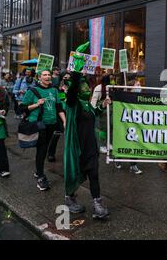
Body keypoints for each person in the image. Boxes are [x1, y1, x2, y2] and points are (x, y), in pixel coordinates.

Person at [63, 52, 110, 219]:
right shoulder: (72, 104)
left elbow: (94, 113)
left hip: (90, 147)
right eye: (83, 86)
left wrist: (102, 105)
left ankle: (97, 205)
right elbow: (73, 89)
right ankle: (69, 198)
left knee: (94, 175)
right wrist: (77, 66)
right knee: (75, 175)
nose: (86, 88)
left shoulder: (87, 104)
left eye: (86, 86)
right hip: (78, 149)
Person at [21, 70, 66, 191]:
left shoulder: (54, 90)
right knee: (42, 149)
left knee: (44, 148)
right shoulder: (33, 91)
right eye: (44, 75)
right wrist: (36, 104)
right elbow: (22, 107)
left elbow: (59, 107)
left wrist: (64, 121)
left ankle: (38, 170)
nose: (47, 76)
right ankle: (40, 177)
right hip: (39, 124)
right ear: (39, 78)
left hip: (51, 124)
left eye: (49, 75)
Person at [91, 74, 113, 154]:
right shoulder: (99, 87)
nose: (113, 80)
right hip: (102, 111)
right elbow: (94, 100)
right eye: (111, 79)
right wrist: (93, 110)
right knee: (102, 129)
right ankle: (102, 145)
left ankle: (109, 143)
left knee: (110, 127)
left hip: (110, 110)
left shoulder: (112, 87)